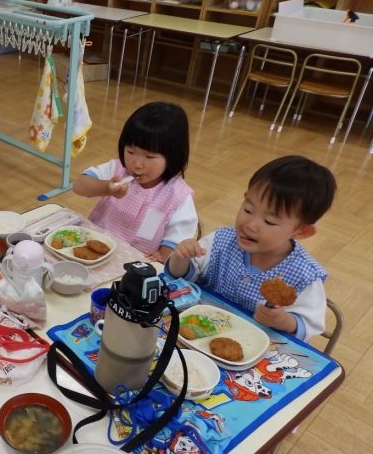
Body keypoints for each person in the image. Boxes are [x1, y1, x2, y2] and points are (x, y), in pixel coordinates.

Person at [166, 156, 336, 340]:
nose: (250, 224)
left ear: (302, 231)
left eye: (269, 221)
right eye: (248, 210)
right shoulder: (221, 240)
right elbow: (183, 278)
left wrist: (284, 321)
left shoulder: (304, 274)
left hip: (255, 345)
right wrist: (180, 258)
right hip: (200, 331)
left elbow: (309, 324)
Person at [73, 101, 197, 262]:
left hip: (135, 263)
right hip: (94, 248)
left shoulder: (177, 195)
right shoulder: (117, 170)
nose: (136, 164)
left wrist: (163, 255)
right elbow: (79, 186)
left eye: (149, 156)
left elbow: (177, 238)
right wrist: (106, 188)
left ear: (173, 156)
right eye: (130, 152)